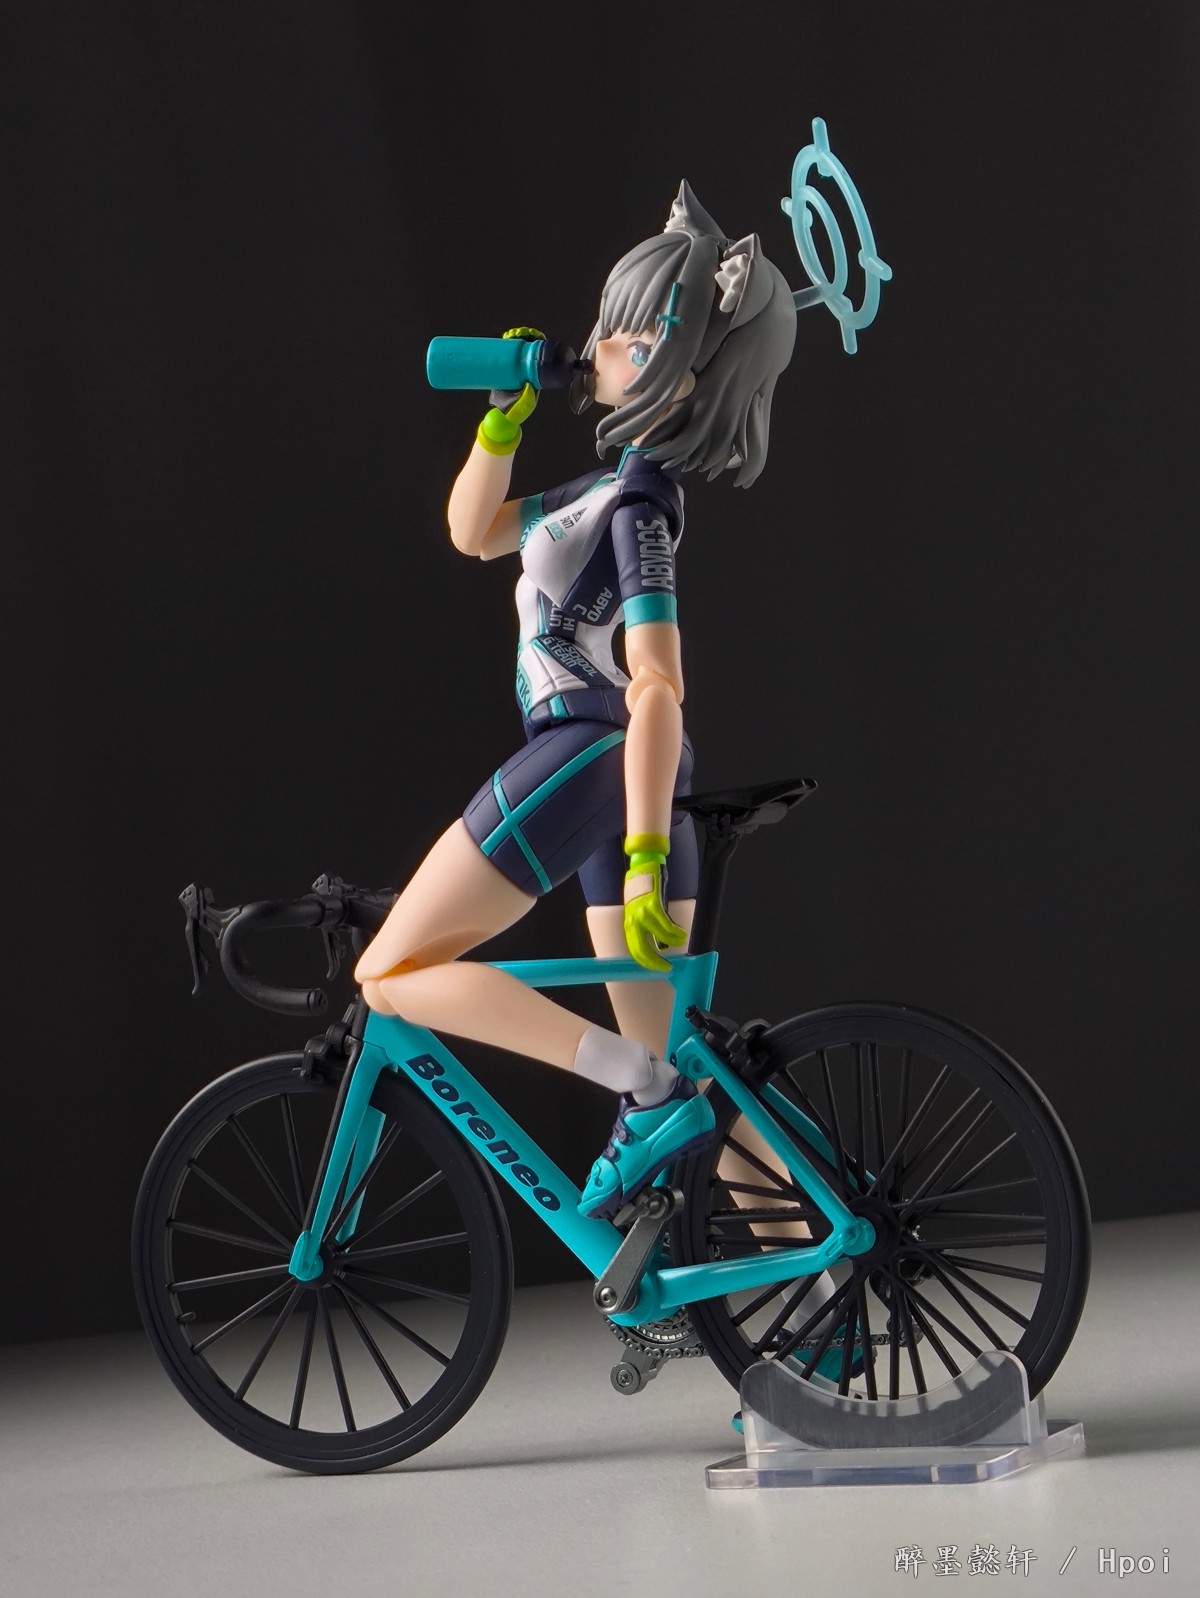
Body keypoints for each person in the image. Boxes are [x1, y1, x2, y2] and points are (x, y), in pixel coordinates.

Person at [355, 181, 797, 1221]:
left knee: (391, 969)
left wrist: (642, 850)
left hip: (595, 756)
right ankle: (824, 1282)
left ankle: (632, 1088)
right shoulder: (602, 492)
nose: (597, 349)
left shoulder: (639, 505)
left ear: (681, 378)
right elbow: (475, 531)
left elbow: (657, 684)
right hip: (623, 773)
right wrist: (501, 423)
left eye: (628, 339)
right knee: (684, 1065)